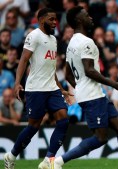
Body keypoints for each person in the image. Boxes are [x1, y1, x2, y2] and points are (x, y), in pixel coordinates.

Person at [53, 6, 118, 169]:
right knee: (100, 138)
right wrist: (115, 84)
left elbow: (68, 74)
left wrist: (80, 89)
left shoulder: (71, 44)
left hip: (92, 94)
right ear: (79, 20)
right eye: (86, 15)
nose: (90, 17)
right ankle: (58, 161)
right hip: (92, 96)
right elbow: (89, 70)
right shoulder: (86, 42)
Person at [4, 8, 71, 169]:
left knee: (63, 120)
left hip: (52, 88)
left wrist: (61, 88)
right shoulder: (33, 36)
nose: (55, 22)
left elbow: (51, 68)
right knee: (33, 127)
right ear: (41, 20)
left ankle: (48, 160)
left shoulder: (54, 40)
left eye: (56, 19)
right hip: (36, 89)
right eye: (51, 19)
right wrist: (17, 82)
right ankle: (11, 156)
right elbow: (23, 60)